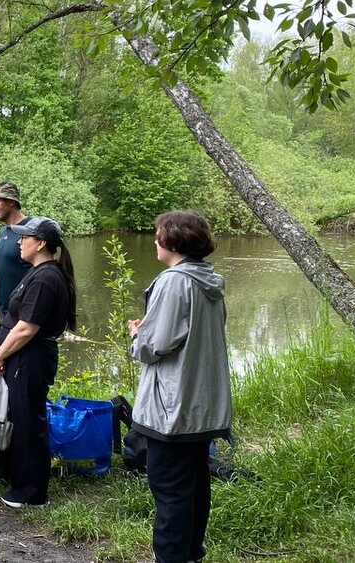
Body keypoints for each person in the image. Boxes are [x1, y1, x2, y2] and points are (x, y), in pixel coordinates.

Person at [127, 211, 231, 563]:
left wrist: (137, 334)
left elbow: (153, 346)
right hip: (203, 406)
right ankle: (191, 554)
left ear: (173, 240)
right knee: (195, 483)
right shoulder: (209, 279)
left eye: (158, 234)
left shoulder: (173, 282)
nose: (155, 241)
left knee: (169, 487)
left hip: (173, 409)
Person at [0, 216, 76, 509]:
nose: (19, 242)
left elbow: (27, 328)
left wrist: (0, 354)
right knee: (19, 417)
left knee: (29, 422)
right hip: (23, 357)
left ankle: (32, 492)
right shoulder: (37, 272)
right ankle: (12, 472)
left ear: (40, 244)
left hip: (32, 359)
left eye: (25, 237)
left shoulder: (46, 278)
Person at [0, 181, 31, 338]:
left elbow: (45, 272)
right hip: (6, 316)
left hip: (27, 317)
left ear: (11, 202)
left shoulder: (32, 230)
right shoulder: (2, 233)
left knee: (4, 352)